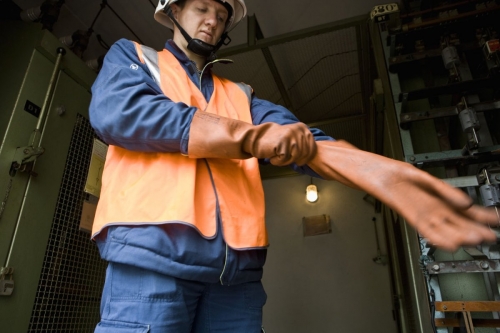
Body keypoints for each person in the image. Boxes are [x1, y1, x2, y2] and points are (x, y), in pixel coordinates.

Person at [88, 0, 498, 332]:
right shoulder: (136, 59)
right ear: (173, 10)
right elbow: (120, 113)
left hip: (236, 282)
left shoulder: (242, 97)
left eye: (221, 15)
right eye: (202, 8)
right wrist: (248, 136)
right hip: (153, 266)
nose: (213, 21)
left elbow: (304, 142)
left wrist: (383, 175)